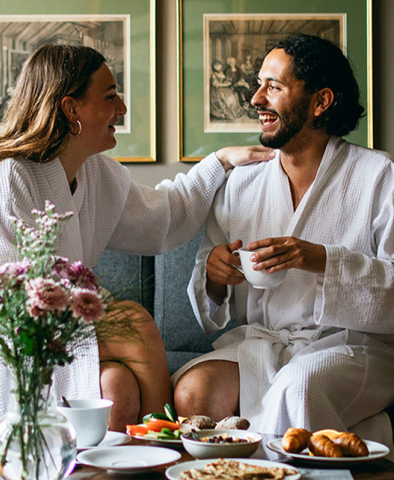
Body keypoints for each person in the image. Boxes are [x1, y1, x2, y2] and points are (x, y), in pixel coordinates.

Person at [0, 44, 273, 480]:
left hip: (48, 328)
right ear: (70, 108)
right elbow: (1, 297)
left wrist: (219, 162)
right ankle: (171, 462)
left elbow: (165, 216)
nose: (121, 107)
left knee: (116, 388)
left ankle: (123, 472)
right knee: (135, 323)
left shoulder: (95, 174)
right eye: (110, 96)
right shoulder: (3, 177)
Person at [173, 34, 394, 455]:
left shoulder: (378, 176)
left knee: (299, 385)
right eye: (259, 84)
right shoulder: (242, 182)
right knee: (192, 393)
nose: (256, 98)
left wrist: (322, 260)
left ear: (320, 101)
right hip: (264, 342)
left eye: (273, 86)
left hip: (353, 345)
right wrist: (216, 276)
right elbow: (211, 283)